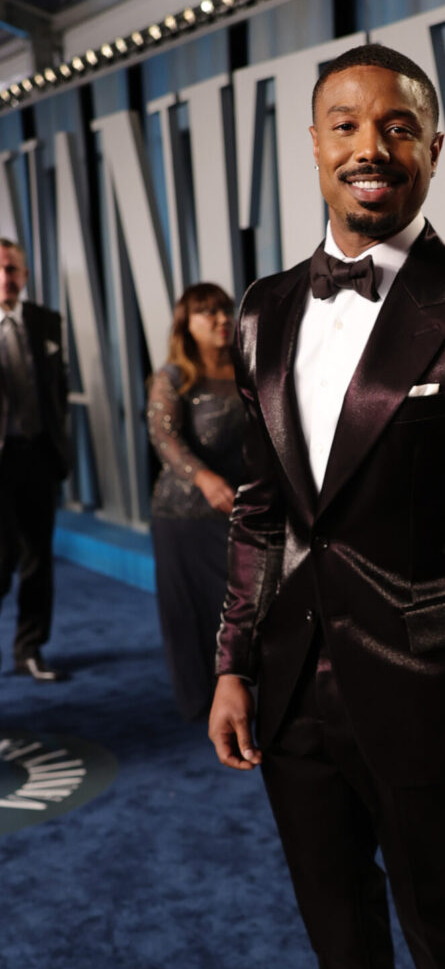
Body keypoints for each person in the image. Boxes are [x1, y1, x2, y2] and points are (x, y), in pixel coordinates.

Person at [207, 43, 445, 969]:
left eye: (397, 125)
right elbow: (262, 510)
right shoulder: (260, 309)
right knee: (337, 936)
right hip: (290, 682)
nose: (371, 146)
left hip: (427, 693)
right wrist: (231, 661)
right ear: (313, 144)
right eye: (346, 123)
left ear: (434, 150)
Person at [147, 283, 245, 720]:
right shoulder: (172, 375)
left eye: (225, 310)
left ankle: (241, 694)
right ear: (186, 324)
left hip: (240, 510)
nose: (222, 319)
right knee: (191, 613)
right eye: (208, 313)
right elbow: (163, 437)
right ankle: (197, 705)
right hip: (182, 514)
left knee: (238, 608)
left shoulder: (249, 368)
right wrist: (203, 478)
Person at [0, 237, 69, 683]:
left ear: (25, 275)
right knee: (2, 557)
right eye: (2, 269)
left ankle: (29, 650)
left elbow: (57, 389)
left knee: (38, 559)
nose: (7, 277)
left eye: (14, 269)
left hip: (39, 455)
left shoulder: (46, 321)